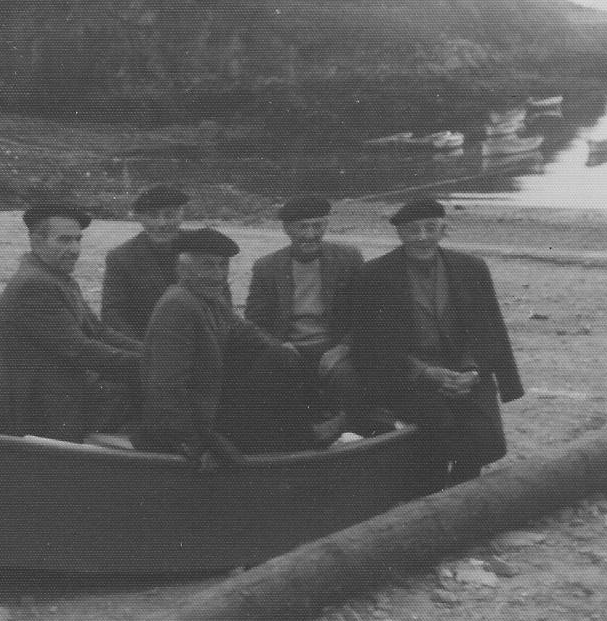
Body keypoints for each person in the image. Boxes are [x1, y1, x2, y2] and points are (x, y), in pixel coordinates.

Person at [348, 198, 523, 488]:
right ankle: (433, 489)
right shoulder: (375, 275)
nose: (422, 238)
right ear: (400, 235)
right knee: (438, 426)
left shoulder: (471, 268)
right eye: (412, 231)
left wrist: (474, 371)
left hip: (465, 370)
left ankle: (458, 489)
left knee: (482, 433)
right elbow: (373, 342)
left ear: (445, 230)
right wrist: (426, 373)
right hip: (407, 374)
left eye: (431, 228)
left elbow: (488, 328)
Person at [133, 228, 324, 461]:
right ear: (183, 270)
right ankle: (303, 440)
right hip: (196, 423)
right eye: (208, 266)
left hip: (213, 404)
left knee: (279, 358)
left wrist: (284, 351)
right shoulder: (178, 307)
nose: (218, 275)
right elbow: (166, 388)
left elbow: (247, 332)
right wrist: (198, 445)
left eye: (223, 266)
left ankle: (305, 432)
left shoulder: (210, 298)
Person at [0, 203, 142, 442]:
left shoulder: (59, 279)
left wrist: (152, 353)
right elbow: (80, 348)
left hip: (63, 396)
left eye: (77, 240)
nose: (75, 249)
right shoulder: (34, 285)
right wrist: (148, 364)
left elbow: (99, 332)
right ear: (36, 241)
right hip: (42, 410)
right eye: (64, 240)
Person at [246, 195, 364, 431]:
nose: (310, 235)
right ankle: (294, 438)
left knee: (350, 375)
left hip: (333, 345)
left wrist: (344, 347)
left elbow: (366, 313)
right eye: (302, 227)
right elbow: (253, 323)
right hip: (289, 346)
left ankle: (350, 432)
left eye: (317, 226)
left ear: (326, 226)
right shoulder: (267, 267)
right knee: (269, 377)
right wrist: (278, 346)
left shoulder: (348, 258)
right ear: (287, 229)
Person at [100, 185, 191, 338]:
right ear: (141, 219)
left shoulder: (200, 248)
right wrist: (146, 352)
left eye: (169, 215)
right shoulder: (121, 257)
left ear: (181, 216)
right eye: (153, 216)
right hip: (143, 349)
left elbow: (221, 307)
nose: (162, 224)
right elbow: (112, 315)